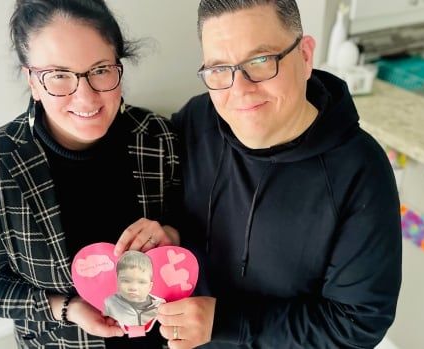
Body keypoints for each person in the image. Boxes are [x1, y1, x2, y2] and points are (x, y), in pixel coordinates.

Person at [120, 1, 402, 348]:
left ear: (305, 55)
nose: (239, 89)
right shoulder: (198, 119)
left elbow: (358, 323)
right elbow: (181, 209)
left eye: (260, 61)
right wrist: (169, 234)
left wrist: (226, 323)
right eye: (219, 69)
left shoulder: (361, 170)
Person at [0, 0, 180, 348]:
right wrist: (65, 307)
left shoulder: (157, 137)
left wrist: (169, 236)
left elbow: (195, 225)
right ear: (33, 82)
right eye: (58, 75)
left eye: (100, 70)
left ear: (119, 67)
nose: (85, 97)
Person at [104, 251, 165, 329]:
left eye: (141, 282)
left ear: (150, 286)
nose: (133, 287)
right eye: (126, 280)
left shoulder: (160, 305)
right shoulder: (110, 303)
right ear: (118, 282)